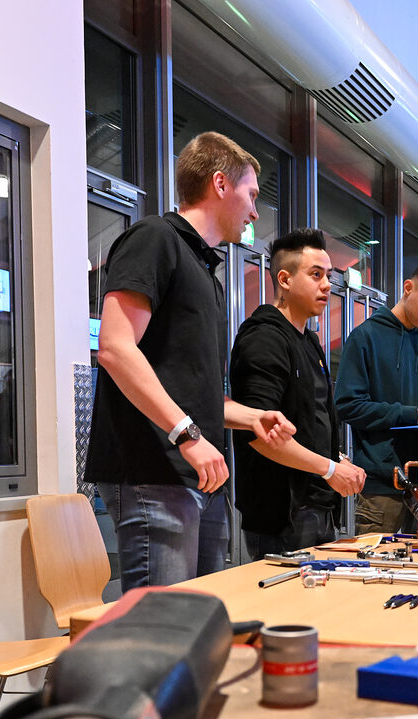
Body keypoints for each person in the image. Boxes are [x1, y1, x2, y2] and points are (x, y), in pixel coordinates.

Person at [84, 131, 295, 590]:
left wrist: (254, 417)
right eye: (252, 195)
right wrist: (187, 433)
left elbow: (190, 391)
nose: (256, 212)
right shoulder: (155, 239)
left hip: (197, 475)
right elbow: (116, 348)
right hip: (153, 472)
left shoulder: (206, 272)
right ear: (220, 184)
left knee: (199, 628)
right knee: (159, 635)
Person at [230, 228, 365, 555]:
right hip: (282, 513)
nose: (327, 285)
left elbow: (311, 418)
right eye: (315, 274)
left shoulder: (310, 342)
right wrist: (330, 469)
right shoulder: (264, 338)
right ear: (285, 280)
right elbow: (262, 435)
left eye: (329, 276)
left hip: (319, 505)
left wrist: (335, 456)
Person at [334, 260, 418, 534]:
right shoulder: (364, 337)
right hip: (381, 487)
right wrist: (412, 415)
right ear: (408, 288)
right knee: (374, 574)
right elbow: (347, 406)